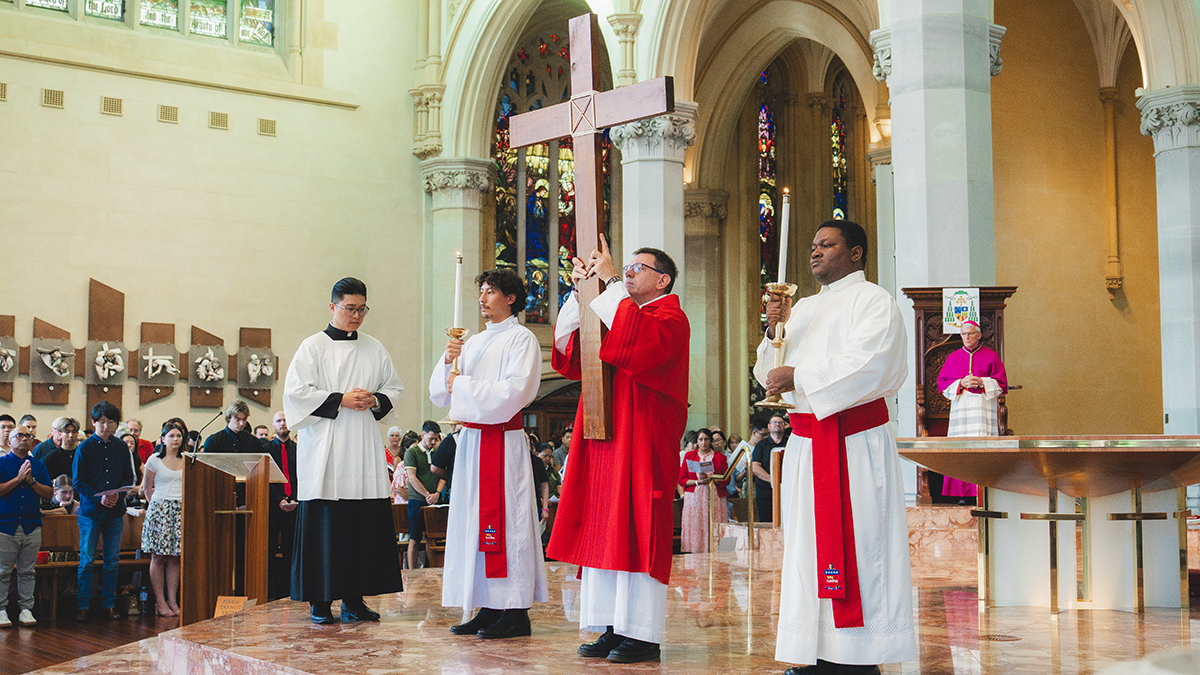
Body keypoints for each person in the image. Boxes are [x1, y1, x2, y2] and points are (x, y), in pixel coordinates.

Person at [755, 220, 916, 675]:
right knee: (808, 549)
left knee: (859, 543)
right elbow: (767, 375)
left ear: (857, 253)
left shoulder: (875, 302)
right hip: (808, 444)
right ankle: (820, 652)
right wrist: (773, 334)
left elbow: (871, 365)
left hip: (853, 442)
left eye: (826, 244)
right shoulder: (801, 309)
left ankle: (858, 658)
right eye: (812, 246)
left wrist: (801, 377)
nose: (815, 252)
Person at [546, 237, 689, 664]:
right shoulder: (617, 311)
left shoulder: (670, 317)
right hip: (606, 438)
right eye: (625, 267)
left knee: (638, 528)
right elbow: (571, 354)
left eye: (637, 268)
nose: (627, 272)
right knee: (604, 528)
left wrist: (608, 281)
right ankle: (610, 626)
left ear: (662, 280)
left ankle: (642, 634)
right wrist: (580, 292)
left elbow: (641, 346)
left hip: (642, 437)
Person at [430, 267, 547, 639]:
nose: (482, 298)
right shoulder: (474, 342)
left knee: (507, 524)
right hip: (473, 445)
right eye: (481, 291)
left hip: (503, 444)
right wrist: (449, 361)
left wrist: (460, 382)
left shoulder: (521, 339)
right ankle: (486, 605)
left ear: (510, 298)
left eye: (491, 291)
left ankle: (514, 611)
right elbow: (440, 393)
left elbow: (515, 392)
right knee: (474, 525)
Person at [283, 276, 404, 624]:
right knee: (326, 528)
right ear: (333, 307)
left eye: (362, 309)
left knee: (361, 528)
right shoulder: (312, 347)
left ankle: (354, 599)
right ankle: (320, 603)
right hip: (325, 452)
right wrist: (341, 399)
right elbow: (295, 395)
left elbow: (393, 389)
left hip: (363, 450)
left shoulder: (374, 347)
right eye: (350, 308)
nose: (356, 316)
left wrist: (375, 399)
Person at [73, 401, 136, 622]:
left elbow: (128, 477)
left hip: (115, 513)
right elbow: (78, 482)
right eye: (101, 422)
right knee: (87, 560)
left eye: (110, 422)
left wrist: (118, 494)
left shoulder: (121, 447)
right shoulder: (85, 447)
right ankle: (84, 605)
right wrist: (100, 497)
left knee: (112, 560)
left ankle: (109, 603)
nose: (106, 426)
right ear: (93, 422)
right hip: (91, 512)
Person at [935, 320, 1009, 502]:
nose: (966, 337)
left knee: (982, 446)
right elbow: (942, 384)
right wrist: (961, 383)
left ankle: (984, 489)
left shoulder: (991, 356)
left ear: (978, 335)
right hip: (962, 408)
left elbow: (1001, 384)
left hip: (984, 409)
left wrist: (982, 382)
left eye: (970, 334)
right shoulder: (953, 357)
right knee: (961, 447)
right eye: (963, 334)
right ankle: (961, 493)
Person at [0, 424, 54, 628]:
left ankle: (26, 609)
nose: (24, 439)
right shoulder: (2, 463)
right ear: (9, 441)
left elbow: (49, 493)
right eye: (19, 436)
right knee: (3, 570)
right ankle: (1, 610)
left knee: (27, 571)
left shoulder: (38, 465)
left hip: (31, 525)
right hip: (5, 525)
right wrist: (18, 479)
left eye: (28, 436)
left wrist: (31, 482)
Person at [140, 421, 186, 617]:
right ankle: (160, 601)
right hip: (159, 508)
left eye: (179, 436)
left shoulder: (187, 459)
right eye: (172, 436)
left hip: (180, 509)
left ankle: (172, 600)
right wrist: (156, 506)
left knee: (175, 557)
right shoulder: (154, 460)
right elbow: (146, 487)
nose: (176, 439)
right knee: (158, 557)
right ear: (163, 439)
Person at [677, 428, 730, 553]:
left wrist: (712, 478)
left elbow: (727, 479)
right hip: (695, 496)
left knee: (714, 523)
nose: (703, 442)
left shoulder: (720, 457)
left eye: (706, 439)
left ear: (710, 441)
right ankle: (694, 550)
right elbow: (681, 479)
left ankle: (716, 550)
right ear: (697, 441)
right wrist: (697, 481)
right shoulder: (689, 456)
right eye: (701, 439)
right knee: (696, 524)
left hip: (714, 495)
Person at [266, 410, 299, 600]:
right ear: (273, 425)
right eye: (279, 420)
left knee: (291, 552)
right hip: (273, 506)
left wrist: (293, 498)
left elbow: (300, 477)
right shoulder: (267, 449)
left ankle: (288, 591)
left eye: (286, 419)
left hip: (294, 506)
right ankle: (271, 592)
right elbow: (267, 478)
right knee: (270, 551)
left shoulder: (297, 449)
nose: (283, 423)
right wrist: (279, 499)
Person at [403, 421, 444, 569]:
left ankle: (431, 568)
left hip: (434, 500)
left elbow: (443, 476)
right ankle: (412, 571)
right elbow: (412, 478)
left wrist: (437, 493)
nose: (433, 442)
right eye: (430, 438)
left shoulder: (436, 453)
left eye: (436, 439)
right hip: (417, 500)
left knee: (431, 537)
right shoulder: (412, 453)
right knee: (415, 538)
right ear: (422, 435)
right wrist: (427, 495)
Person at [752, 414, 789, 522]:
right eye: (774, 422)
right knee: (766, 522)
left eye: (780, 423)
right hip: (765, 492)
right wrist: (772, 480)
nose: (777, 424)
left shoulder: (790, 443)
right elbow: (755, 467)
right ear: (769, 426)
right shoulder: (761, 445)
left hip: (786, 490)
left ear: (784, 426)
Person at [33, 416, 80, 482]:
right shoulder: (52, 457)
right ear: (60, 434)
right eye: (67, 432)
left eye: (74, 432)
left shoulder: (82, 454)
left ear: (77, 433)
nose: (71, 435)